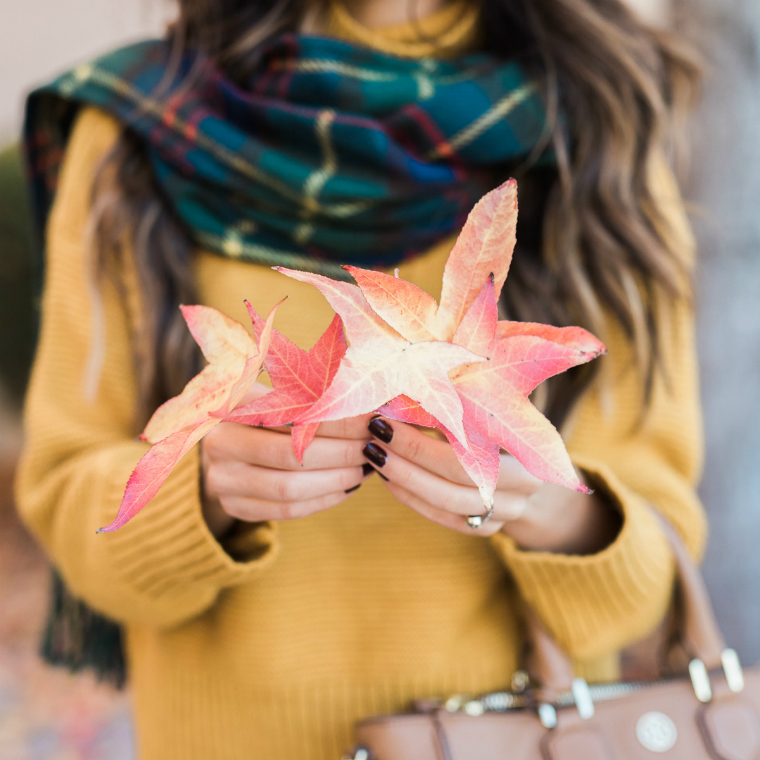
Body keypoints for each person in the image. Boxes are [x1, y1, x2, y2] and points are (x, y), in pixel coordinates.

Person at [16, 0, 706, 757]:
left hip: (514, 736)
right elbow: (70, 504)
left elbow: (649, 586)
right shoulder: (144, 119)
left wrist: (550, 507)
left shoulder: (594, 124)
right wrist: (203, 493)